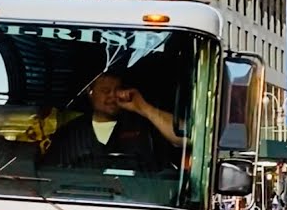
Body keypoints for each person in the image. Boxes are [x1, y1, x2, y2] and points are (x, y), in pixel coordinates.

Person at [40, 72, 182, 172]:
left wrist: (144, 108)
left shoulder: (146, 127)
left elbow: (185, 138)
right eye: (105, 91)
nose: (112, 96)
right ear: (90, 92)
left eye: (117, 90)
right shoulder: (68, 134)